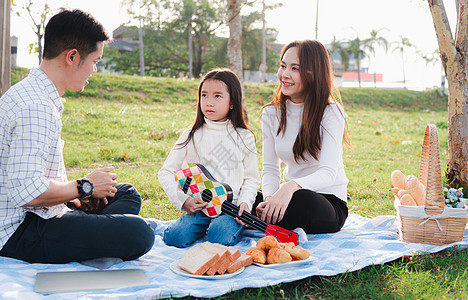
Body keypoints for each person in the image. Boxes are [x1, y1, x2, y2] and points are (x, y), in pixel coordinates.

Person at [0, 9, 154, 264]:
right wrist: (84, 187)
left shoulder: (35, 95)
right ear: (72, 56)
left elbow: (32, 176)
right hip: (20, 230)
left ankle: (85, 228)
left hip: (40, 211)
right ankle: (87, 231)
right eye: (95, 60)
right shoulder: (35, 107)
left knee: (125, 193)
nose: (95, 69)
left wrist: (77, 195)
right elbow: (26, 193)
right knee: (140, 233)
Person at [158, 68, 260, 248]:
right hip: (199, 208)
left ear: (232, 102)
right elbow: (166, 172)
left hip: (230, 209)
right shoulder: (191, 134)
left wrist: (245, 203)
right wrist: (184, 200)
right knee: (175, 238)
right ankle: (198, 226)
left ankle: (227, 228)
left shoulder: (244, 137)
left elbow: (251, 178)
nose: (209, 102)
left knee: (218, 237)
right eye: (204, 95)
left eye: (217, 96)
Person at [256, 39, 349, 234]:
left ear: (313, 73)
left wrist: (292, 186)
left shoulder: (331, 112)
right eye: (283, 66)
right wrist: (269, 201)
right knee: (242, 195)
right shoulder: (271, 113)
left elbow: (328, 173)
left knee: (303, 201)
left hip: (325, 201)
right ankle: (267, 217)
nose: (285, 75)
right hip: (286, 197)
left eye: (295, 68)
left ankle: (260, 220)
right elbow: (270, 169)